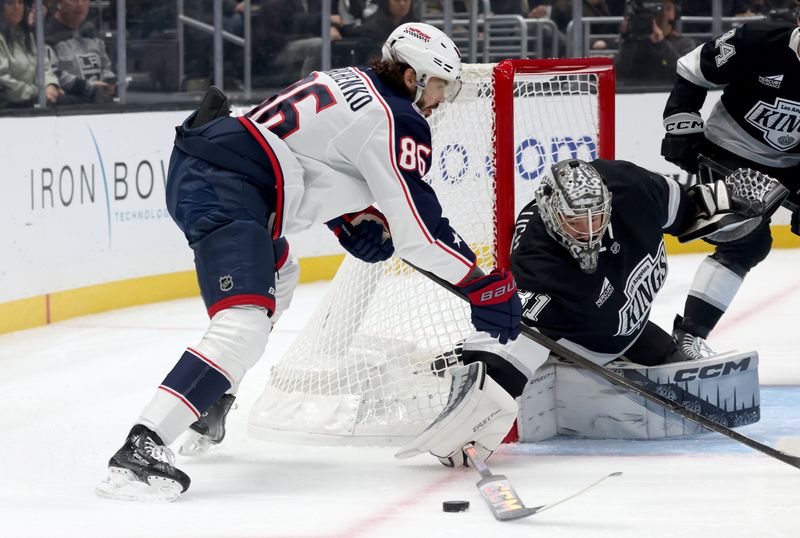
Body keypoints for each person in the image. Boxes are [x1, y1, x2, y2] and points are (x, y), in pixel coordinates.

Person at [95, 22, 522, 501]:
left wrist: (346, 221)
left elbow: (294, 151)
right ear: (411, 77)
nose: (442, 98)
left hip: (221, 173)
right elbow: (420, 234)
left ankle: (210, 395)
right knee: (244, 324)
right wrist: (481, 285)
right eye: (440, 84)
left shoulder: (349, 79)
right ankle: (141, 447)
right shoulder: (398, 116)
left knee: (282, 273)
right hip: (225, 189)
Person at [396, 158, 765, 465]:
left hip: (627, 330)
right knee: (504, 371)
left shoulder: (632, 187)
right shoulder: (538, 259)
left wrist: (726, 200)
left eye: (598, 217)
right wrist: (481, 401)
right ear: (553, 216)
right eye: (576, 222)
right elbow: (516, 334)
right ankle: (449, 365)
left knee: (690, 383)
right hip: (571, 336)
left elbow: (689, 207)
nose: (590, 231)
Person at [660, 5, 800, 358]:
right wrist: (681, 122)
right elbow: (693, 68)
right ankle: (688, 337)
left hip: (795, 163)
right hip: (730, 149)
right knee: (744, 242)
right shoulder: (759, 38)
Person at [45, 0, 116, 104]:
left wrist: (109, 82)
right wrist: (87, 87)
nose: (80, 4)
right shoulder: (47, 35)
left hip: (100, 107)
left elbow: (106, 65)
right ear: (58, 3)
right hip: (67, 111)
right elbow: (50, 72)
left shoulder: (91, 32)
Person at [616, 0, 696, 87]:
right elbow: (619, 76)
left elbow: (689, 76)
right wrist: (627, 40)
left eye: (658, 8)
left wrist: (662, 44)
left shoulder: (684, 43)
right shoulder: (632, 43)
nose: (652, 15)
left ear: (674, 12)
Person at [0, 0, 61, 108]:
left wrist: (50, 85)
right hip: (9, 110)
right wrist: (38, 93)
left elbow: (45, 68)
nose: (16, 7)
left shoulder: (29, 37)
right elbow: (3, 82)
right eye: (10, 3)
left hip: (37, 104)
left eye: (20, 2)